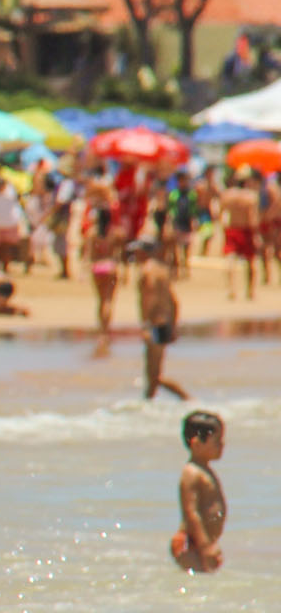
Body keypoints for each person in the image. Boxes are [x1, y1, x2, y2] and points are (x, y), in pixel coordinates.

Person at [170, 410, 226, 573]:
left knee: (203, 581)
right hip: (192, 543)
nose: (222, 446)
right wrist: (205, 545)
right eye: (217, 441)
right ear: (196, 443)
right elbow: (191, 512)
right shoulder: (192, 473)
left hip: (201, 542)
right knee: (197, 579)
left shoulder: (204, 470)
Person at [133, 240, 189, 401]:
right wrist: (173, 325)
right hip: (164, 323)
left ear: (144, 252)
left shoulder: (147, 271)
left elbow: (150, 298)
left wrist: (145, 325)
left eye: (137, 251)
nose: (135, 255)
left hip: (154, 325)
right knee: (152, 374)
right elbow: (173, 302)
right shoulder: (162, 271)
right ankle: (147, 404)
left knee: (153, 375)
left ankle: (187, 399)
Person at [220, 170, 260, 300]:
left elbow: (221, 213)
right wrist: (256, 235)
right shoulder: (251, 197)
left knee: (230, 260)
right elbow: (252, 218)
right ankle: (249, 290)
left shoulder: (227, 195)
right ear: (247, 181)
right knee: (250, 262)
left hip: (232, 228)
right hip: (246, 230)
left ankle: (231, 289)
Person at [86, 208, 124, 340]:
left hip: (97, 268)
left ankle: (101, 329)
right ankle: (106, 330)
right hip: (110, 267)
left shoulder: (92, 233)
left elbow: (89, 255)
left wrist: (85, 270)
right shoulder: (116, 233)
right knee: (108, 300)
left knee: (101, 300)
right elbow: (121, 254)